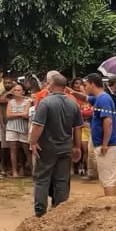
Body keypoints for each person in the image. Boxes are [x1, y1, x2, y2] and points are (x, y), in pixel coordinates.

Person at [28, 72, 83, 217]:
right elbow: (77, 128)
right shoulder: (73, 103)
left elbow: (38, 126)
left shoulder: (46, 102)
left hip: (47, 147)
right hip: (65, 147)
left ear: (51, 85)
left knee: (42, 178)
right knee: (62, 180)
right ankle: (60, 212)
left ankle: (40, 212)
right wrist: (77, 147)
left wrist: (33, 142)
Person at [84, 74, 116, 196]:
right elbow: (85, 98)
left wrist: (105, 143)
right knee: (111, 178)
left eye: (86, 85)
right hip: (108, 144)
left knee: (107, 180)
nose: (84, 87)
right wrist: (71, 92)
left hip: (107, 145)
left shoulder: (103, 99)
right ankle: (114, 203)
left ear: (92, 84)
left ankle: (110, 207)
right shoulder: (99, 98)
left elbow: (108, 121)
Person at [4, 82, 33, 177]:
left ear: (23, 92)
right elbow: (8, 115)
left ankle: (33, 170)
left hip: (23, 128)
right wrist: (20, 114)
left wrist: (15, 114)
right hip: (11, 127)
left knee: (26, 150)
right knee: (13, 150)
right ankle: (14, 172)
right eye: (15, 90)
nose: (17, 92)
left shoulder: (27, 101)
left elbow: (26, 115)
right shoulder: (10, 102)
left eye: (19, 90)